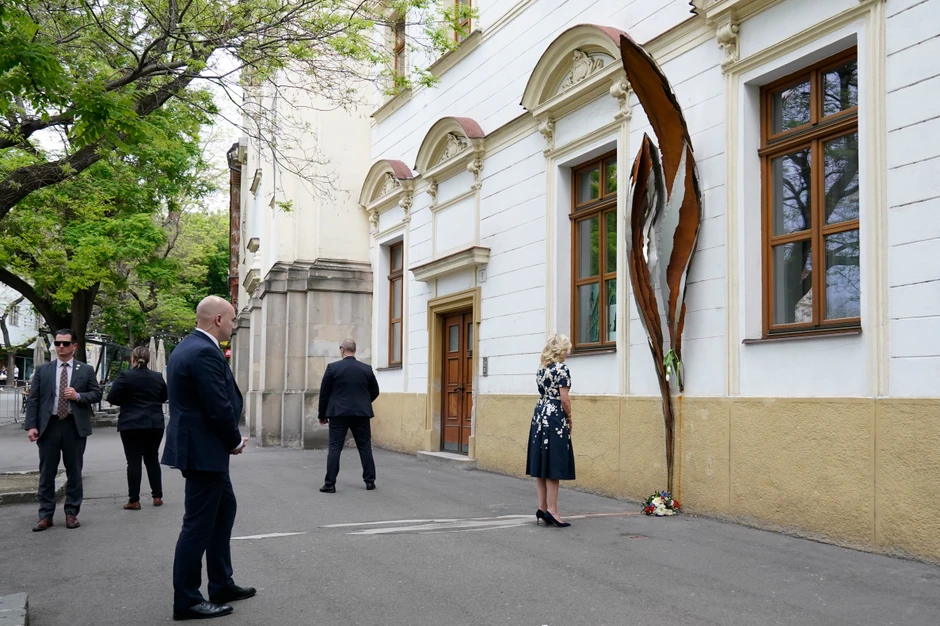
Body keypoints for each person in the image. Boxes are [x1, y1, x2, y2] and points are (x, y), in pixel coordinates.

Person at [161, 296, 254, 621]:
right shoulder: (202, 350)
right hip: (204, 449)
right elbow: (217, 405)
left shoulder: (189, 346)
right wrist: (232, 441)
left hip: (201, 447)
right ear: (217, 319)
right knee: (197, 525)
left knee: (224, 509)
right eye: (230, 319)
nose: (232, 324)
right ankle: (186, 600)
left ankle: (221, 583)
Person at [24, 329, 103, 531]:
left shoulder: (85, 370)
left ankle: (71, 513)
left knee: (74, 472)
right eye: (58, 343)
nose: (61, 347)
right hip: (49, 426)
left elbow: (96, 394)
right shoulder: (44, 370)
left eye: (65, 343)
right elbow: (34, 399)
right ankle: (45, 515)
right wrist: (31, 425)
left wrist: (78, 396)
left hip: (73, 426)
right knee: (47, 472)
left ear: (74, 346)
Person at [107, 346, 168, 510]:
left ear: (132, 359)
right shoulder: (157, 376)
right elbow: (164, 396)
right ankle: (157, 496)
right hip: (154, 423)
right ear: (148, 359)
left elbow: (112, 397)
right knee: (152, 458)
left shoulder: (125, 376)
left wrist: (127, 402)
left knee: (133, 461)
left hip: (131, 423)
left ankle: (134, 500)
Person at [526, 333, 575, 528]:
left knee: (541, 464)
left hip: (539, 415)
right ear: (561, 350)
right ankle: (553, 511)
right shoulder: (562, 369)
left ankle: (542, 507)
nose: (567, 352)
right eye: (566, 348)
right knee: (554, 464)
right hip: (554, 416)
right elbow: (564, 399)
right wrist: (569, 417)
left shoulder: (542, 369)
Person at [318, 338, 380, 493]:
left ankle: (330, 484)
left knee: (335, 447)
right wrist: (364, 402)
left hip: (338, 413)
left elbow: (324, 394)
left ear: (342, 349)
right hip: (361, 413)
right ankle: (370, 481)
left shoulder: (333, 368)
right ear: (355, 350)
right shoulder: (366, 368)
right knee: (365, 446)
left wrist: (322, 414)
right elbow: (375, 391)